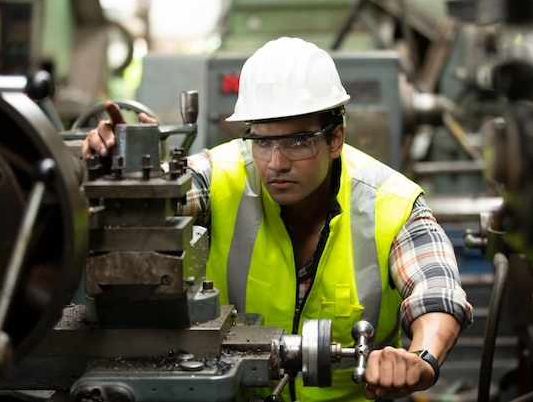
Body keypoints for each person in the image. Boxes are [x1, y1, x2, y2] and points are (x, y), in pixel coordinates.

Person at [82, 37, 473, 401]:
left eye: (298, 141)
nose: (277, 163)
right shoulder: (223, 174)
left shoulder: (390, 202)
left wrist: (421, 358)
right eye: (263, 141)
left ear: (335, 138)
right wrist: (126, 169)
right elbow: (163, 197)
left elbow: (437, 292)